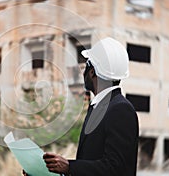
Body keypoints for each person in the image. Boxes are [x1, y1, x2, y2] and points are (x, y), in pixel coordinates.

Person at [23, 37, 139, 176]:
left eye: (86, 66)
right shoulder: (100, 107)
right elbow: (92, 164)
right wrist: (45, 171)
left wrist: (69, 167)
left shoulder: (120, 110)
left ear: (92, 72)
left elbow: (116, 168)